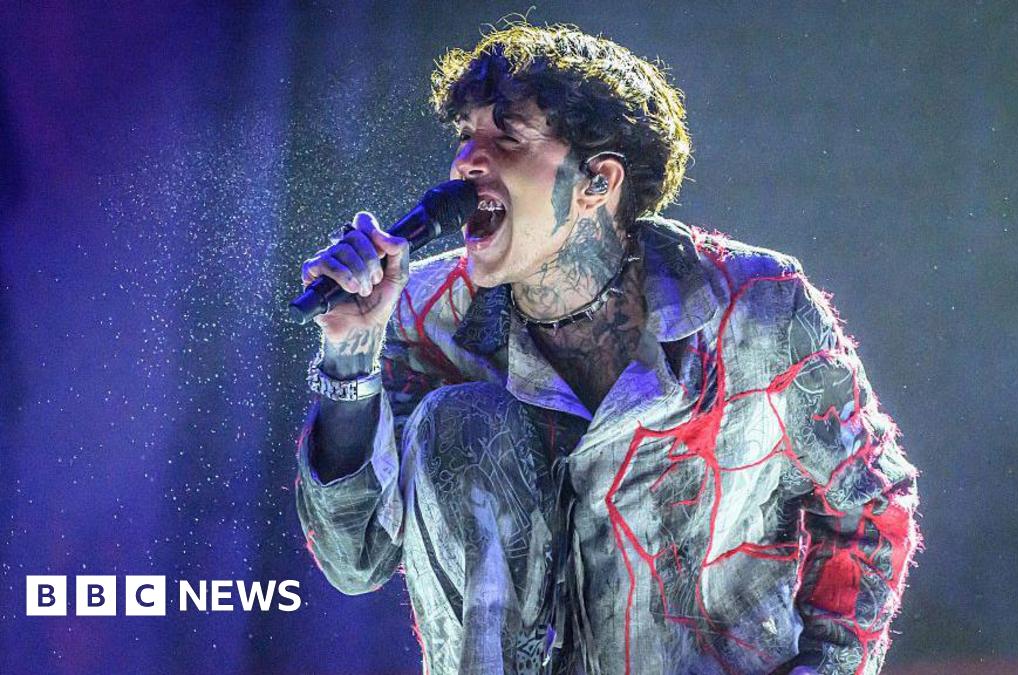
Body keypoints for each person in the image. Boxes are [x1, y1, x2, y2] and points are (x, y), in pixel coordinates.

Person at [295, 23, 920, 675]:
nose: (466, 162)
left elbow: (872, 503)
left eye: (506, 135)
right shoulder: (422, 313)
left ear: (598, 181)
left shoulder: (760, 309)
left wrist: (832, 664)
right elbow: (354, 558)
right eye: (465, 135)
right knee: (465, 422)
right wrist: (349, 355)